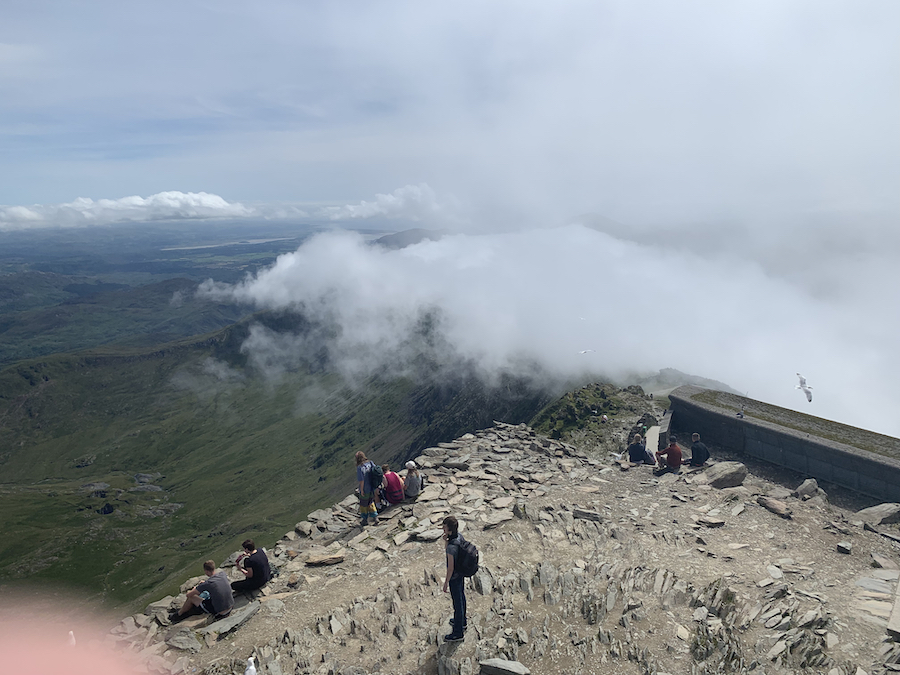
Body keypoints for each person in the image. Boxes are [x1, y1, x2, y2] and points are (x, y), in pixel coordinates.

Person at [442, 515, 467, 642]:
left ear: (449, 529)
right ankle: (462, 621)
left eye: (444, 527)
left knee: (457, 604)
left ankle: (458, 633)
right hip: (461, 573)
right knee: (461, 597)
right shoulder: (459, 537)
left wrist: (446, 582)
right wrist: (446, 540)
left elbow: (450, 568)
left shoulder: (451, 547)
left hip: (454, 578)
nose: (443, 529)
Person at [356, 451, 379, 526]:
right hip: (372, 487)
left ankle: (365, 519)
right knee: (371, 502)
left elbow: (361, 480)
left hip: (365, 488)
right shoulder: (370, 463)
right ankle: (375, 517)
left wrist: (362, 490)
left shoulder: (360, 467)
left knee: (363, 504)